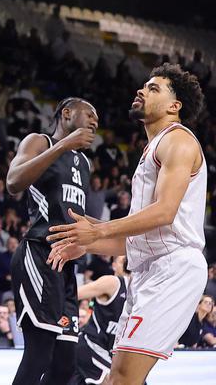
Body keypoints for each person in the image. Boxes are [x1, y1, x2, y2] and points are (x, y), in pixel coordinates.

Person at [48, 64, 208, 385]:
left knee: (123, 378)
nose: (141, 90)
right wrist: (87, 240)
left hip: (173, 269)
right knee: (114, 377)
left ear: (174, 106)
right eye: (144, 86)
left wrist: (98, 230)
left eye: (153, 88)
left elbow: (164, 213)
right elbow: (136, 239)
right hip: (148, 268)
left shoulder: (178, 141)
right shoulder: (153, 148)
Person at [5, 97, 97, 385]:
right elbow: (13, 182)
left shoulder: (84, 162)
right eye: (90, 114)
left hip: (67, 265)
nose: (95, 120)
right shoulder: (40, 141)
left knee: (65, 363)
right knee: (39, 354)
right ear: (66, 114)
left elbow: (79, 218)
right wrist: (61, 146)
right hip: (40, 255)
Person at [72, 257, 129, 385]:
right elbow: (72, 294)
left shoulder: (141, 290)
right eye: (122, 260)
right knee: (117, 382)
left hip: (114, 352)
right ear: (113, 265)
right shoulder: (112, 283)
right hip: (93, 345)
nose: (127, 261)